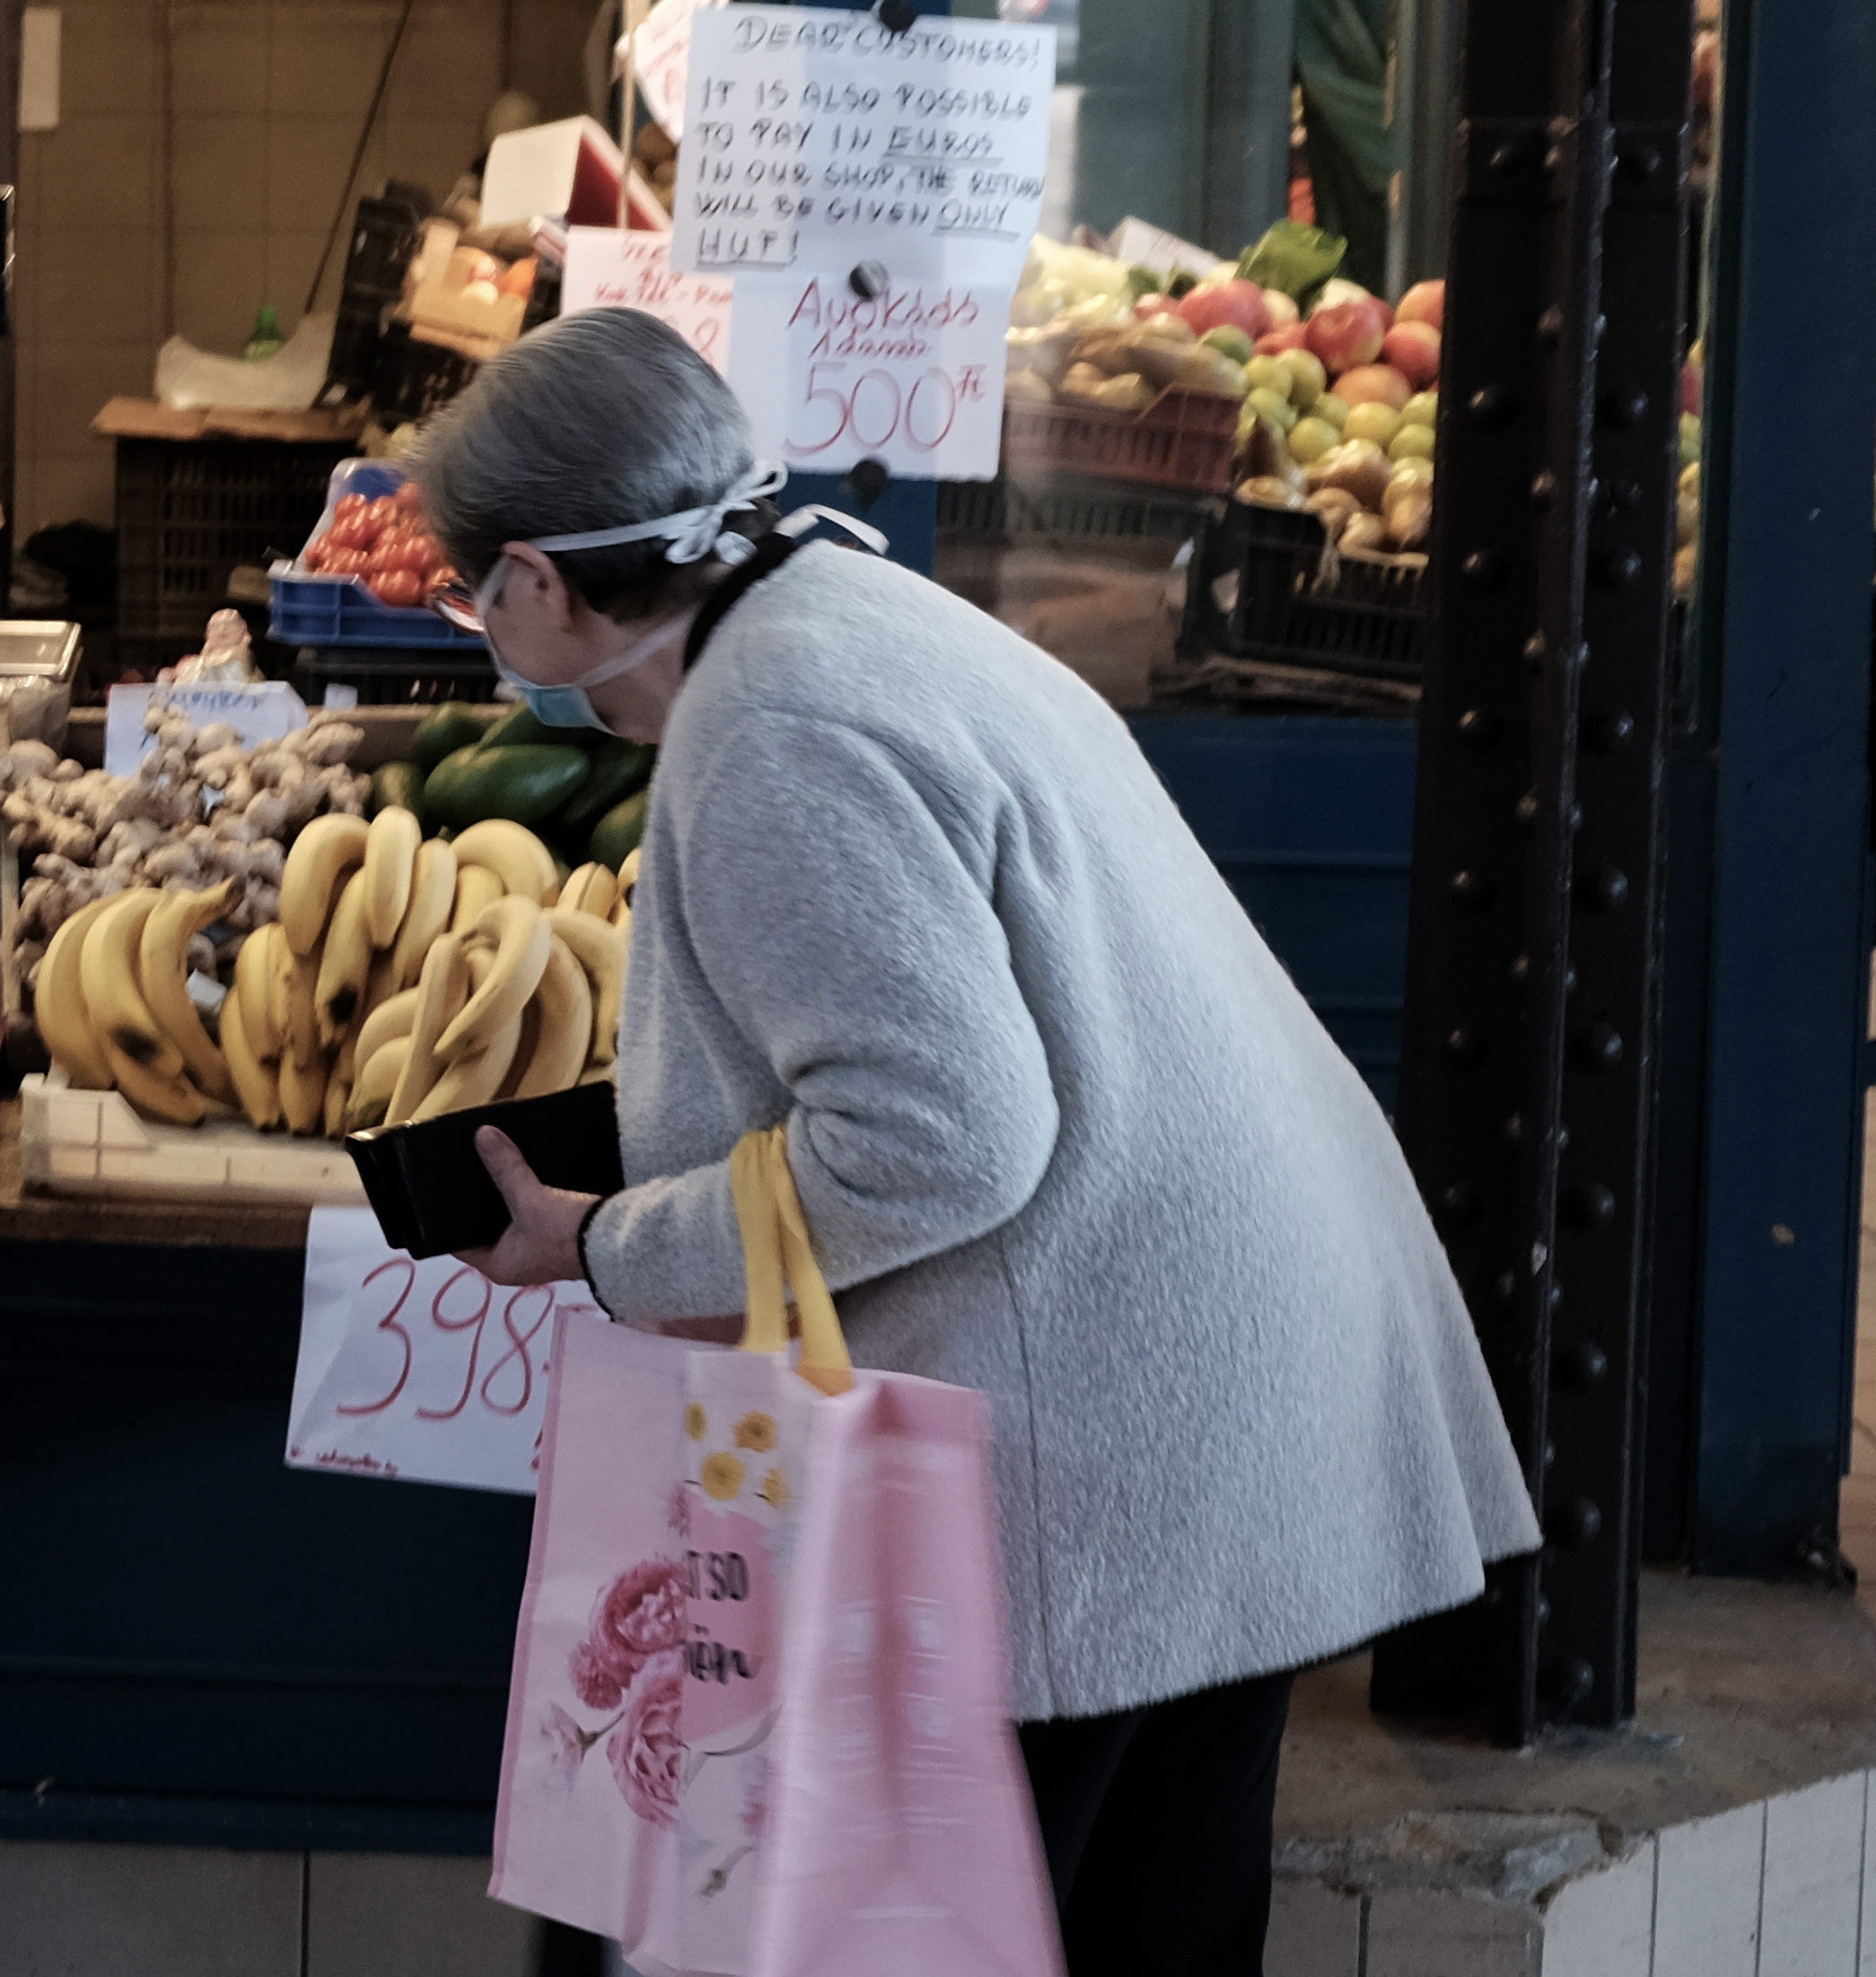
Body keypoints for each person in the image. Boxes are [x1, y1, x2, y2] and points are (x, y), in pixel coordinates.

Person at [430, 310, 1537, 1974]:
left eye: (469, 595)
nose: (481, 635)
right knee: (1145, 1928)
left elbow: (939, 1138)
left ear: (532, 579)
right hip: (1207, 1380)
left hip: (1105, 1429)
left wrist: (607, 1245)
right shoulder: (852, 610)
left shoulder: (769, 730)